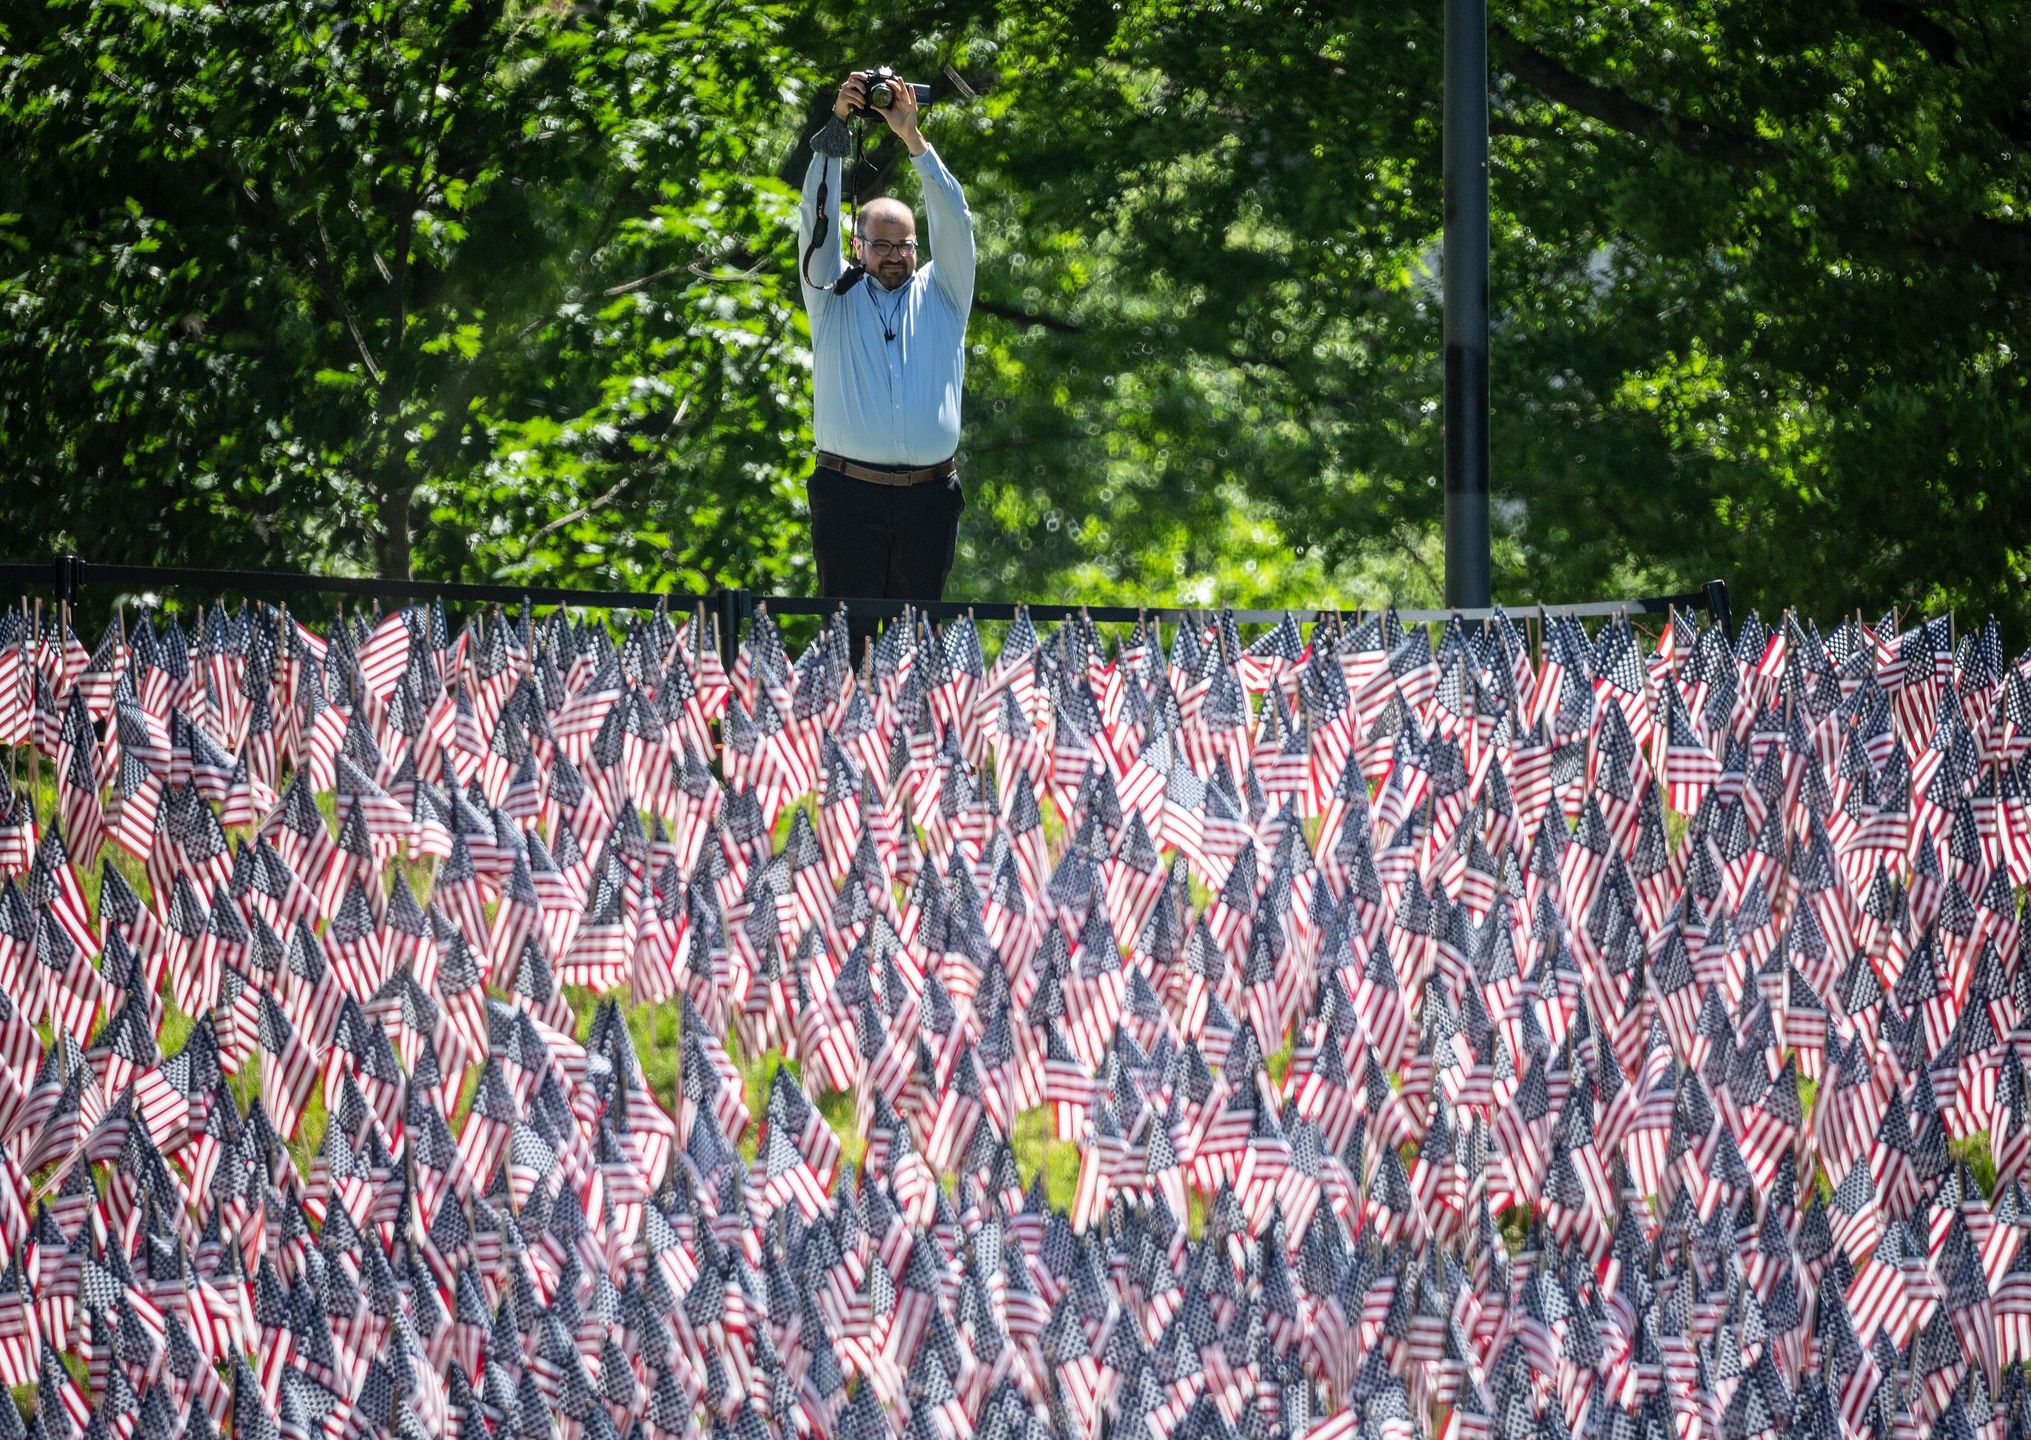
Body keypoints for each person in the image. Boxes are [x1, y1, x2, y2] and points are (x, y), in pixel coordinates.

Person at [797, 70, 975, 664]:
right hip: (848, 494)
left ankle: (915, 759)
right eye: (882, 244)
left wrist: (913, 140)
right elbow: (813, 221)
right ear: (858, 245)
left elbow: (958, 224)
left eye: (904, 246)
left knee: (920, 656)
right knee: (845, 651)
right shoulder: (829, 291)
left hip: (929, 498)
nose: (895, 255)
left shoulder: (945, 293)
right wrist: (837, 127)